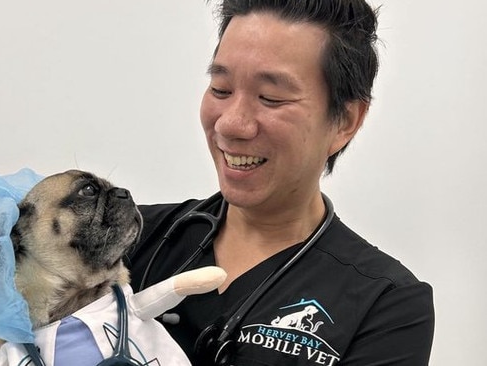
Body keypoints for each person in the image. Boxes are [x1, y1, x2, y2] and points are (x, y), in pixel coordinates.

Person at [126, 0, 435, 365]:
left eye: (270, 98)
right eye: (221, 89)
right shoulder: (131, 237)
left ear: (345, 121)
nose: (230, 124)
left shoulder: (385, 303)